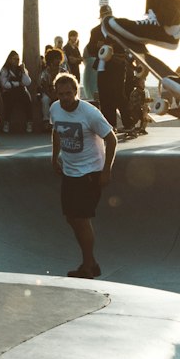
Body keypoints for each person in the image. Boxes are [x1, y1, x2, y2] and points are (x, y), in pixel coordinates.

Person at [49, 70, 116, 279]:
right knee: (71, 218)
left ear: (76, 92)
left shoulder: (90, 113)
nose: (65, 99)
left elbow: (112, 139)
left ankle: (88, 266)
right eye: (61, 94)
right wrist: (54, 157)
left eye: (69, 94)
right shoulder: (55, 108)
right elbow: (56, 131)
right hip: (69, 171)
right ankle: (91, 262)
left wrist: (107, 170)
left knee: (82, 218)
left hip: (90, 172)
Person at [0, 50, 33, 132]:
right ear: (10, 59)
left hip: (20, 91)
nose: (17, 61)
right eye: (15, 59)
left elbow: (27, 82)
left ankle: (29, 122)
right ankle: (6, 122)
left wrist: (24, 71)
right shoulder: (5, 70)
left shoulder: (21, 70)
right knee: (9, 101)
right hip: (8, 92)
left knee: (27, 99)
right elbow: (4, 84)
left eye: (18, 59)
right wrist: (17, 83)